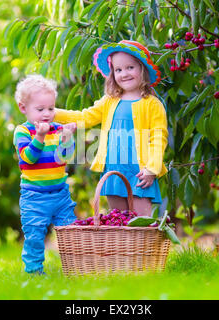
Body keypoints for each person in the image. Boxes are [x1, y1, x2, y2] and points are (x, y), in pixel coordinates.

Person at [54, 40, 168, 216]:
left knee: (140, 223)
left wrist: (152, 168)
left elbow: (159, 137)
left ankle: (142, 245)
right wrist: (52, 113)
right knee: (118, 221)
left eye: (130, 67)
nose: (124, 74)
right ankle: (120, 245)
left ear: (142, 69)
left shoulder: (152, 104)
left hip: (140, 173)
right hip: (114, 171)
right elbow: (85, 116)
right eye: (118, 70)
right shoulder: (110, 101)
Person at [13, 74, 77, 275]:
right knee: (34, 236)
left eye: (51, 108)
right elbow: (28, 158)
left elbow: (64, 157)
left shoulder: (57, 129)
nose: (47, 114)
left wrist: (67, 138)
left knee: (70, 233)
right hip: (34, 197)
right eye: (40, 109)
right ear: (24, 108)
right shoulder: (22, 131)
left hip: (60, 194)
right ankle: (34, 271)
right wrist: (39, 136)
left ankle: (74, 269)